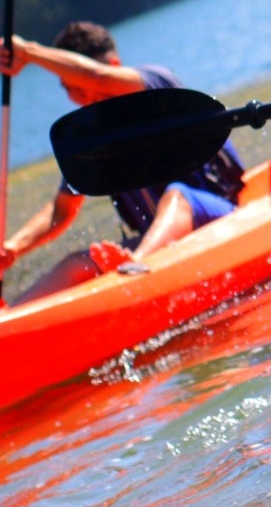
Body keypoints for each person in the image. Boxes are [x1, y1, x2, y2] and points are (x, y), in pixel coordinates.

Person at [0, 21, 245, 305]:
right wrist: (13, 247)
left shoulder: (156, 85)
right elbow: (62, 209)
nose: (81, 96)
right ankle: (11, 320)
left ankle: (133, 274)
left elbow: (98, 76)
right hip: (156, 247)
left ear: (115, 64)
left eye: (81, 84)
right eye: (70, 88)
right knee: (77, 261)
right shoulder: (93, 136)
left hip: (218, 218)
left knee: (177, 196)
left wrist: (28, 52)